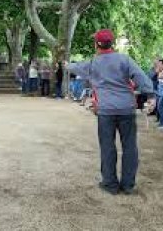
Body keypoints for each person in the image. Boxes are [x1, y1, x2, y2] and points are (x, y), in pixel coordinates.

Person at [66, 29, 154, 195]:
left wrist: (66, 65)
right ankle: (128, 185)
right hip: (127, 109)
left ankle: (110, 184)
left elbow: (75, 67)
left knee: (107, 146)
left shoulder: (93, 63)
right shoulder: (124, 59)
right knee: (130, 147)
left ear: (96, 44)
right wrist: (150, 95)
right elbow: (141, 77)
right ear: (111, 43)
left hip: (105, 111)